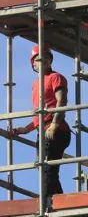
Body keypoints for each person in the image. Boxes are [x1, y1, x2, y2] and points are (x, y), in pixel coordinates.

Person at [10, 44, 71, 198]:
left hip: (55, 129)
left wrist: (55, 125)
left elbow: (61, 101)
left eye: (46, 58)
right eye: (38, 59)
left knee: (47, 169)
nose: (43, 61)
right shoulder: (35, 84)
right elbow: (39, 114)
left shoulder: (55, 77)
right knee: (46, 169)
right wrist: (25, 129)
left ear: (50, 61)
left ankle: (47, 202)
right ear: (33, 64)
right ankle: (58, 200)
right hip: (43, 130)